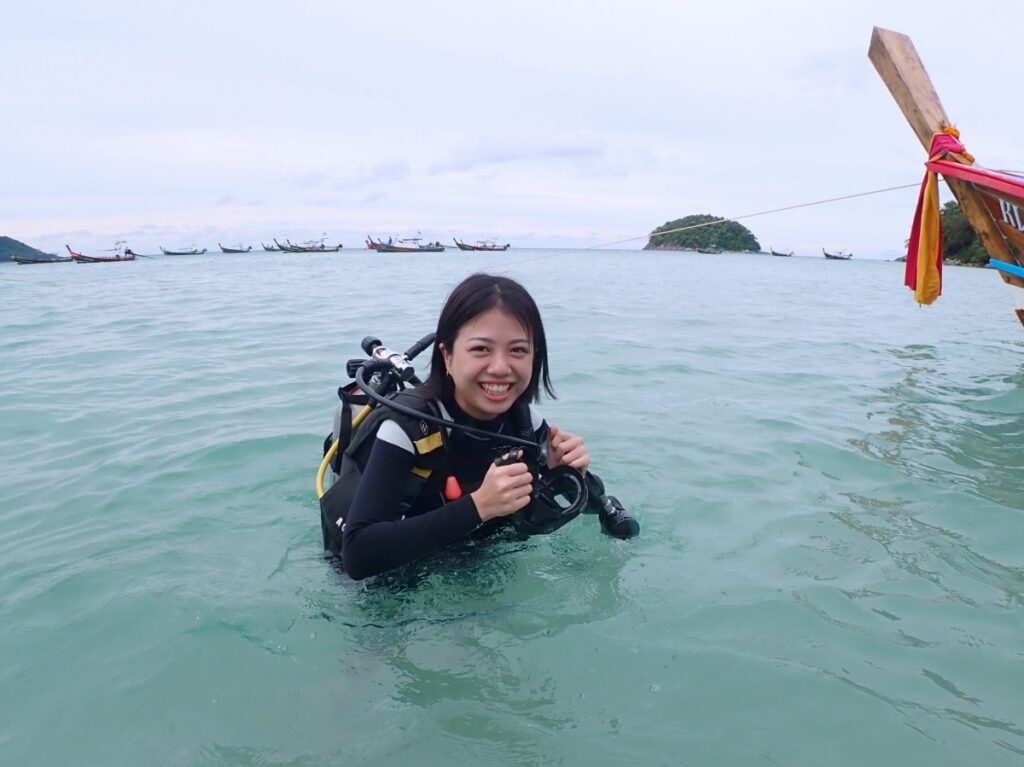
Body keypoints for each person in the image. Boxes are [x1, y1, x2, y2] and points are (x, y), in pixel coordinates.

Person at [324, 273, 638, 580]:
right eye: (481, 349)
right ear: (446, 356)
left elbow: (560, 506)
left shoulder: (524, 421)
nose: (500, 368)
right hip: (397, 589)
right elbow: (358, 555)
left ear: (534, 356)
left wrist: (561, 475)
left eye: (518, 350)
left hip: (476, 569)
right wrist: (479, 506)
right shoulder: (407, 429)